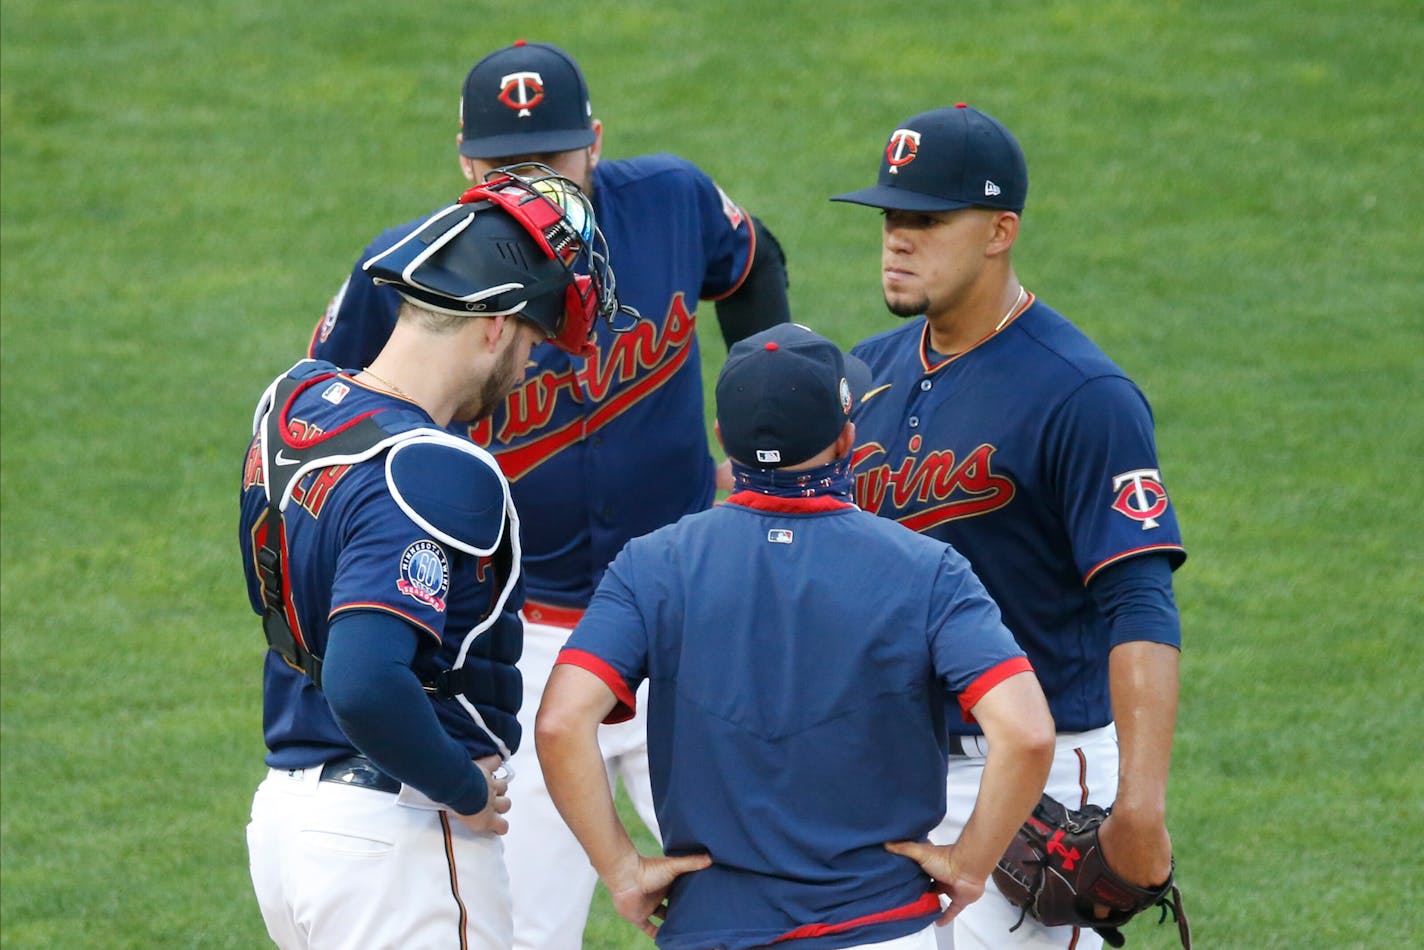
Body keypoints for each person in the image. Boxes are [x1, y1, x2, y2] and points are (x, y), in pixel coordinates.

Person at [306, 39, 792, 950]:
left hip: (691, 612)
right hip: (514, 643)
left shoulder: (673, 203)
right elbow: (320, 414)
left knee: (770, 894)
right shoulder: (408, 273)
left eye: (551, 161)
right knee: (520, 928)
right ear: (462, 159)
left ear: (595, 145)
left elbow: (755, 266)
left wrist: (766, 447)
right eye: (502, 166)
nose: (529, 185)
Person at [535, 323, 1056, 950]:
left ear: (725, 441)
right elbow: (1025, 732)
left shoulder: (652, 565)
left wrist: (621, 870)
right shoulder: (928, 571)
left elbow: (562, 724)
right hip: (881, 927)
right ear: (847, 439)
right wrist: (970, 863)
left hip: (713, 929)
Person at [830, 104, 1188, 950]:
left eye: (927, 219)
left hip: (1034, 778)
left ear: (1000, 230)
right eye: (890, 216)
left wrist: (1140, 805)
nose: (898, 238)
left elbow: (1139, 601)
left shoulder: (1082, 394)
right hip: (887, 778)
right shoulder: (867, 375)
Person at [239, 168, 624, 949]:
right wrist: (461, 791)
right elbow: (365, 679)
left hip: (291, 824)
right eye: (532, 343)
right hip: (399, 834)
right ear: (493, 325)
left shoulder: (295, 398)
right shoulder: (436, 469)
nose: (527, 369)